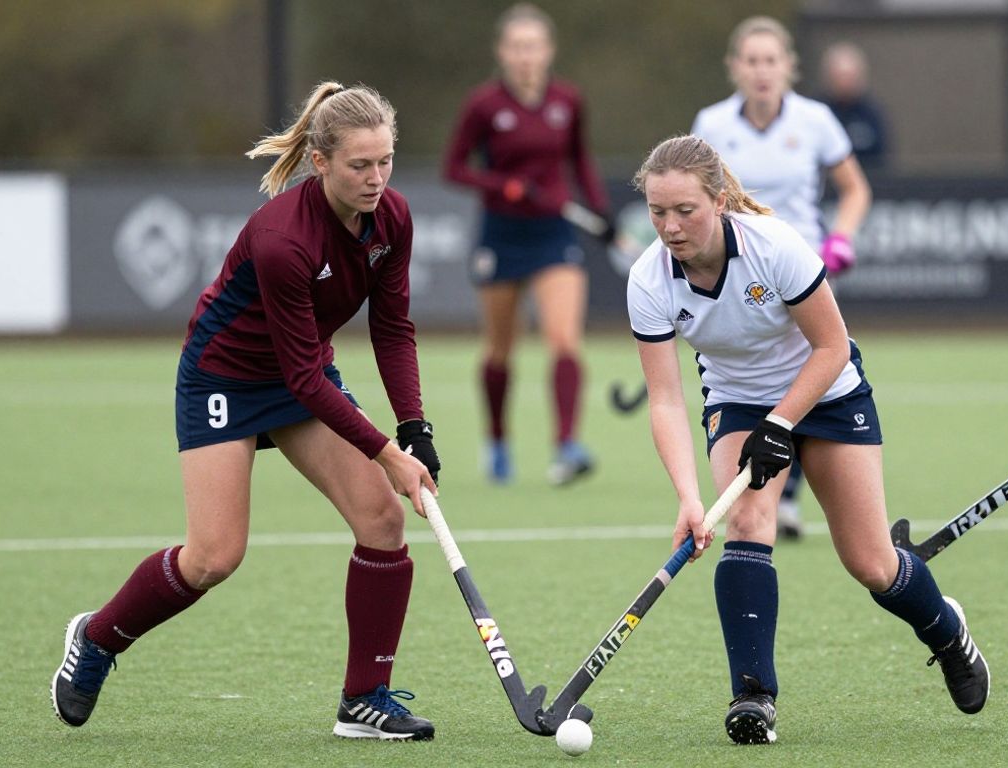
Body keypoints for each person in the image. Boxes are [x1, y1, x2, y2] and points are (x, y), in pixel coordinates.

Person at [50, 82, 444, 739]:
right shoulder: (283, 238)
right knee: (213, 557)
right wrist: (386, 454)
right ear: (320, 162)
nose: (376, 179)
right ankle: (97, 637)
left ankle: (363, 699)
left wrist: (414, 428)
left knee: (381, 520)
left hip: (301, 373)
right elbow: (303, 378)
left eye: (385, 162)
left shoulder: (392, 218)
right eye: (359, 165)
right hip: (224, 377)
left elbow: (392, 327)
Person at [627, 135, 988, 744]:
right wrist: (688, 497)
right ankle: (753, 696)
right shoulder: (648, 279)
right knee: (745, 521)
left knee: (872, 564)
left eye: (685, 210)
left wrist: (781, 422)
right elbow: (664, 399)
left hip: (827, 391)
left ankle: (947, 632)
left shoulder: (773, 245)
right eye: (657, 212)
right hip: (738, 399)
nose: (670, 227)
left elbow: (832, 346)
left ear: (718, 201)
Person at [691, 16, 872, 539]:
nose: (761, 71)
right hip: (738, 273)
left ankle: (787, 492)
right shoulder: (712, 124)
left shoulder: (815, 121)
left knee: (808, 370)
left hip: (801, 271)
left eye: (771, 60)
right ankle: (776, 492)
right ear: (735, 67)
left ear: (788, 66)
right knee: (755, 376)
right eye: (751, 61)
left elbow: (855, 189)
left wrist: (841, 238)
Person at [444, 2, 611, 486]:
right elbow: (454, 168)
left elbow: (580, 159)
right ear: (502, 51)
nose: (525, 56)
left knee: (564, 339)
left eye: (533, 47)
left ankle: (566, 446)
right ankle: (497, 441)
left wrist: (598, 207)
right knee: (500, 349)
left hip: (554, 234)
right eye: (517, 47)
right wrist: (505, 186)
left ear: (548, 50)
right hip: (501, 235)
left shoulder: (567, 100)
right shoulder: (483, 105)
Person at [819, 41, 889, 172]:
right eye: (840, 76)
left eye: (849, 76)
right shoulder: (818, 112)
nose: (845, 82)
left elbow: (883, 157)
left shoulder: (872, 113)